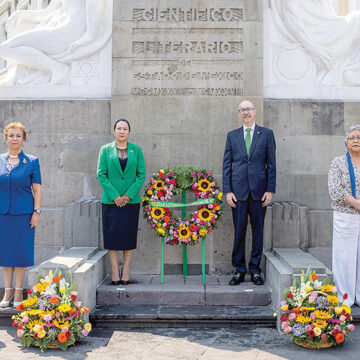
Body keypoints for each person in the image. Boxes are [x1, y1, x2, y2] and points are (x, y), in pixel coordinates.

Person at [222, 100, 276, 286]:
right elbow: (227, 165)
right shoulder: (232, 136)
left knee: (258, 232)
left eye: (249, 109)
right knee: (239, 232)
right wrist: (227, 191)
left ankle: (255, 270)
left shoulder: (267, 134)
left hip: (260, 192)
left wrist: (270, 189)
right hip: (238, 193)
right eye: (242, 110)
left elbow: (272, 164)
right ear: (239, 113)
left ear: (254, 111)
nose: (246, 112)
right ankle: (239, 270)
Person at [0, 0, 112, 85]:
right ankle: (57, 69)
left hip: (70, 33)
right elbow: (47, 13)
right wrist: (22, 14)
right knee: (5, 48)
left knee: (6, 48)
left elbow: (96, 3)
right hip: (62, 31)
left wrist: (90, 34)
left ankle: (58, 69)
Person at [97, 119, 146, 285]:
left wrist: (128, 196)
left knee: (128, 236)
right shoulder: (105, 150)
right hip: (111, 201)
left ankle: (126, 270)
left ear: (129, 132)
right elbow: (101, 174)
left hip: (130, 202)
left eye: (125, 129)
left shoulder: (136, 150)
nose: (122, 131)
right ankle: (114, 271)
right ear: (114, 131)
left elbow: (141, 175)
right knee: (112, 236)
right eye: (119, 128)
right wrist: (115, 196)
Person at [0, 122, 42, 308]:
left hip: (24, 215)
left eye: (18, 136)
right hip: (3, 215)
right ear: (6, 138)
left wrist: (36, 211)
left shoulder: (32, 161)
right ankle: (7, 291)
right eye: (11, 135)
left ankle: (19, 292)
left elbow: (37, 190)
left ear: (23, 139)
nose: (14, 139)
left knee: (20, 253)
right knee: (5, 255)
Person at [328, 124, 360, 306]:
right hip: (346, 215)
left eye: (359, 137)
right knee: (344, 257)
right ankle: (345, 298)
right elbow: (335, 189)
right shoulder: (338, 162)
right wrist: (356, 203)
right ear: (346, 142)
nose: (356, 141)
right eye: (352, 138)